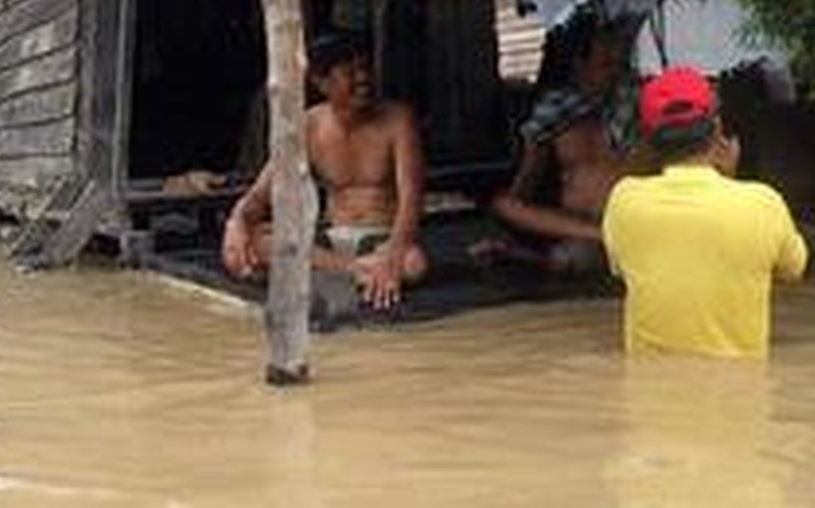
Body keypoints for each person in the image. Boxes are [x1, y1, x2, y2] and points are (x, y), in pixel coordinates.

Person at [602, 66, 808, 358]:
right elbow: (793, 269)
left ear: (647, 138)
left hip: (651, 395)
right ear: (717, 128)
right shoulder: (763, 204)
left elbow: (620, 268)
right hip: (740, 394)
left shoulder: (623, 201)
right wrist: (730, 179)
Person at [222, 33, 428, 309]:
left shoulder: (398, 119)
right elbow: (260, 194)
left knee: (413, 263)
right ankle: (356, 271)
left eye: (365, 69)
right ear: (321, 83)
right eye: (350, 73)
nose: (363, 79)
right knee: (248, 247)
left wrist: (393, 251)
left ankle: (346, 271)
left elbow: (412, 198)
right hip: (329, 238)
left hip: (380, 238)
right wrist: (236, 222)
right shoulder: (308, 125)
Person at [479, 16, 640, 268]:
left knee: (571, 257)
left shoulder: (633, 102)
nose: (613, 72)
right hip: (578, 226)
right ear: (580, 64)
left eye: (617, 64)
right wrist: (510, 219)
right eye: (605, 64)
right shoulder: (555, 109)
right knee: (504, 204)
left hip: (630, 217)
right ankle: (601, 236)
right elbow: (526, 180)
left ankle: (610, 237)